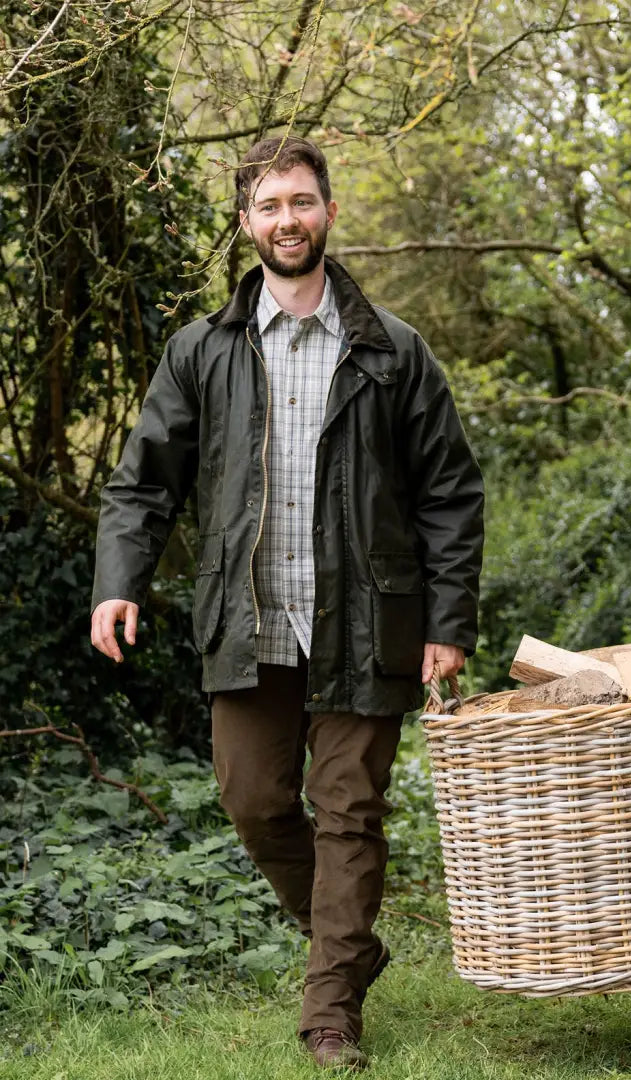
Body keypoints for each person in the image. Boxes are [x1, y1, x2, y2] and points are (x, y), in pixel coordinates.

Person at [90, 135, 484, 1070]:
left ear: (330, 213)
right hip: (249, 618)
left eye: (301, 202)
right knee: (254, 799)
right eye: (268, 207)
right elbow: (143, 485)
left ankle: (330, 1010)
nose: (287, 220)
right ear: (246, 223)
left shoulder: (393, 350)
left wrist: (447, 622)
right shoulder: (202, 351)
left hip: (366, 618)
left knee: (349, 809)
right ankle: (346, 943)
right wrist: (119, 583)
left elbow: (450, 493)